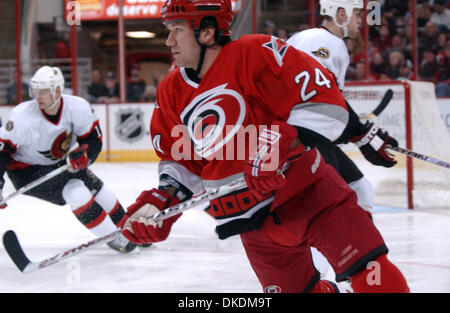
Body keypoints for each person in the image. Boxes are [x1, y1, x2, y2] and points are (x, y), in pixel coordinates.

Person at [119, 0, 409, 293]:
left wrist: (284, 140)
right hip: (252, 224)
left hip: (309, 194)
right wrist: (162, 199)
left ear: (206, 33)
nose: (169, 41)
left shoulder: (257, 52)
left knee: (371, 273)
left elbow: (325, 99)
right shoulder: (170, 92)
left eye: (177, 30)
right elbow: (182, 159)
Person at [286, 0, 400, 281]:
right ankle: (316, 283)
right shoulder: (328, 42)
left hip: (302, 132)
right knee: (322, 213)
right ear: (340, 14)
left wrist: (360, 132)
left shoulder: (303, 38)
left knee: (360, 188)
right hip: (301, 135)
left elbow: (321, 98)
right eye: (358, 14)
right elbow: (316, 92)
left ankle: (347, 274)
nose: (362, 20)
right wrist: (361, 132)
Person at [0, 65, 137, 253]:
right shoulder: (21, 117)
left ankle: (132, 230)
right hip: (26, 171)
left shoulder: (77, 107)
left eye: (43, 91)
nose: (37, 96)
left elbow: (92, 140)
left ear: (57, 91)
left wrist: (85, 155)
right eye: (35, 91)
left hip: (58, 163)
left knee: (99, 189)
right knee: (76, 191)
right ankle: (114, 237)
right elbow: (2, 152)